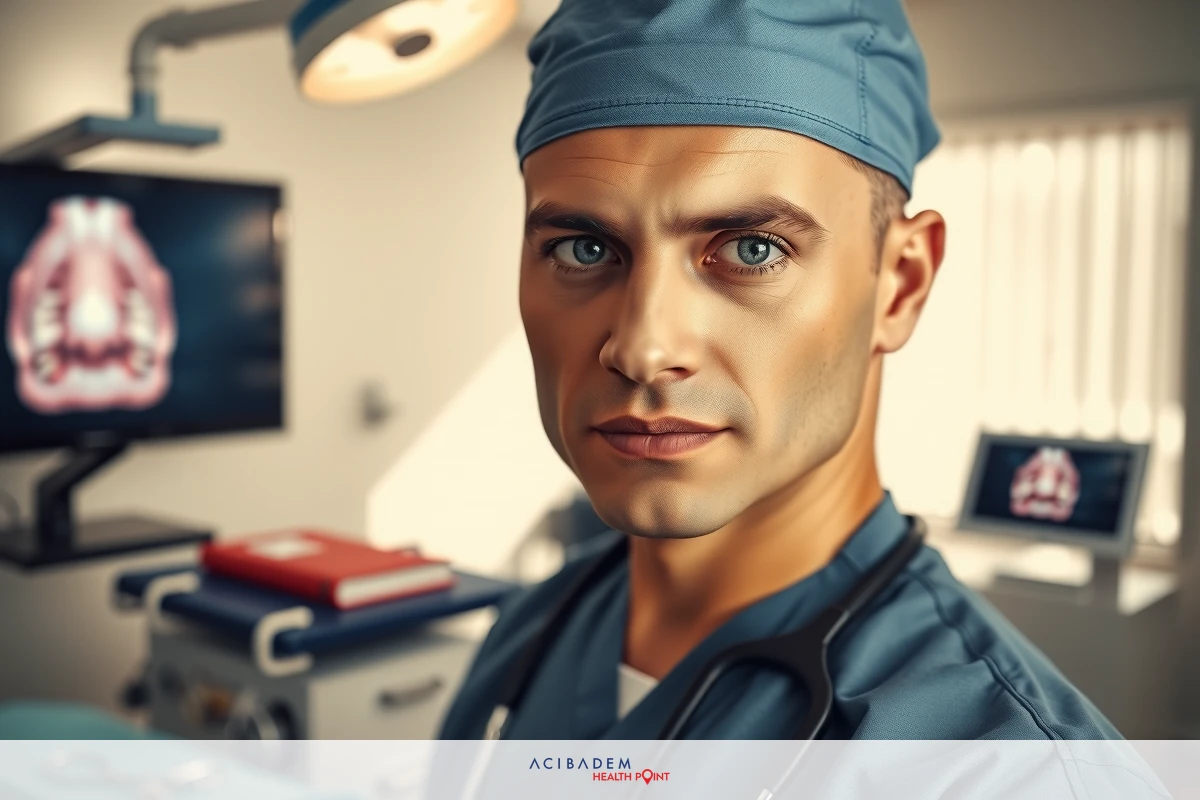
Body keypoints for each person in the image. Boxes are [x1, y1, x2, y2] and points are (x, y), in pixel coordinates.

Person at [438, 0, 1120, 740]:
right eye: (584, 249)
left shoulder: (1005, 765)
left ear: (900, 284)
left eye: (752, 249)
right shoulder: (530, 633)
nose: (641, 348)